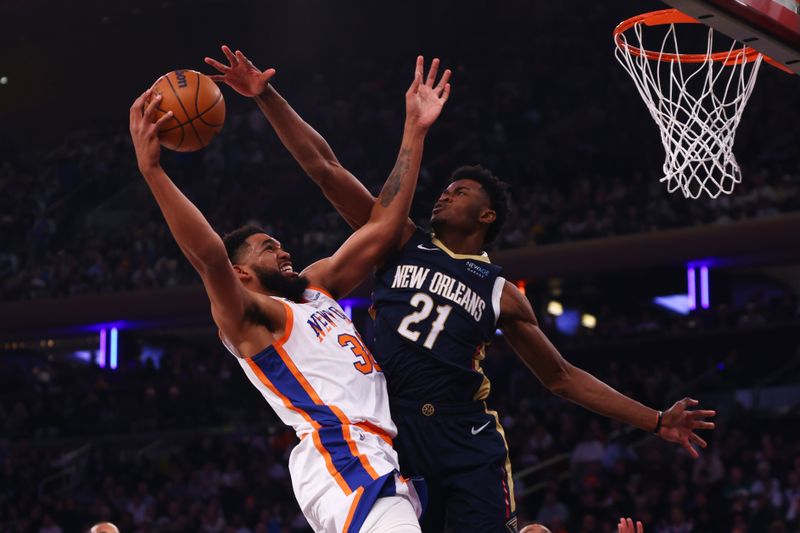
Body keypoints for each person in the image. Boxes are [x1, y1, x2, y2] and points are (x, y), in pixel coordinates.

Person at [205, 46, 715, 533]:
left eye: (461, 191)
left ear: (486, 216)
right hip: (395, 434)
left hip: (466, 438)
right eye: (445, 188)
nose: (445, 193)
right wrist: (266, 97)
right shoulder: (398, 239)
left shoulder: (502, 291)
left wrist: (654, 420)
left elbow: (561, 377)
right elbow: (325, 168)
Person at [129, 55, 451, 533]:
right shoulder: (254, 319)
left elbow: (383, 227)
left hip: (371, 456)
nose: (282, 251)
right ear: (241, 273)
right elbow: (210, 257)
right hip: (343, 454)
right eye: (266, 248)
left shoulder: (316, 288)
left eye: (278, 243)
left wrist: (415, 130)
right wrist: (154, 172)